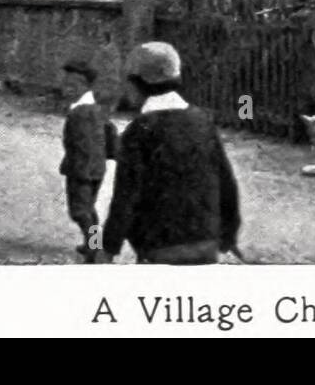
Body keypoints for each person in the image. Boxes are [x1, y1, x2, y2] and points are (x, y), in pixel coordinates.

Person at [100, 42, 241, 265]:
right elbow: (226, 182)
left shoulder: (138, 131)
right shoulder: (202, 121)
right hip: (206, 241)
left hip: (160, 245)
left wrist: (108, 247)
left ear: (137, 83)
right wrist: (229, 234)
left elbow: (126, 196)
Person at [58, 59, 115, 262]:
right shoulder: (97, 109)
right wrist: (106, 156)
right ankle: (93, 243)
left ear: (83, 87)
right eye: (65, 84)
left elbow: (82, 145)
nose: (66, 89)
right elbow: (111, 134)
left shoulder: (79, 113)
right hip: (96, 169)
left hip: (80, 170)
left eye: (71, 86)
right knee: (89, 209)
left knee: (79, 211)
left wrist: (80, 167)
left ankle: (94, 248)